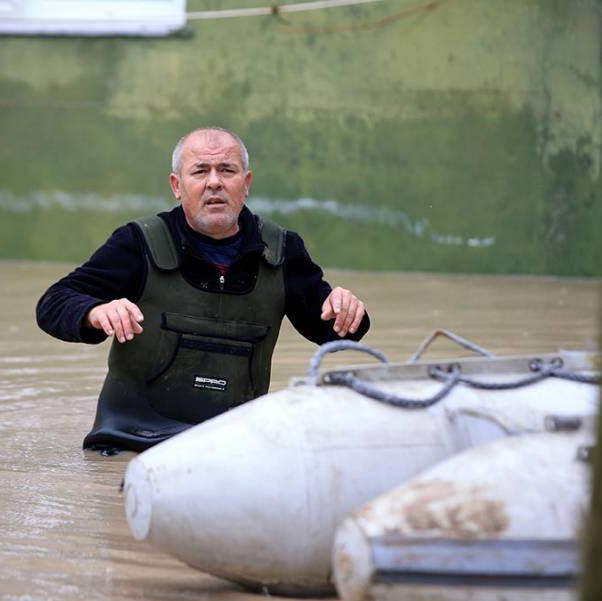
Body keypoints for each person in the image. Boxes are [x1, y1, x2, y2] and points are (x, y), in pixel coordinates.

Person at [36, 127, 370, 452]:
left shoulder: (282, 251)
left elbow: (334, 330)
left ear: (246, 183)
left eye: (227, 170)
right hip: (131, 443)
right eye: (200, 171)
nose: (214, 182)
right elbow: (54, 302)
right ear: (177, 185)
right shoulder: (137, 243)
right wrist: (95, 312)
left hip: (232, 447)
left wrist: (345, 308)